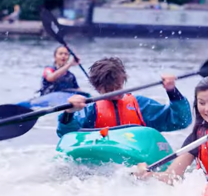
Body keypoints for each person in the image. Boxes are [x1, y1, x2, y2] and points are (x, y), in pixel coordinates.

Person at [56, 57, 192, 137]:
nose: (115, 92)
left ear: (123, 80)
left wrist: (172, 91)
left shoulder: (142, 105)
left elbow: (181, 121)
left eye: (118, 86)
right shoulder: (89, 110)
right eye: (109, 89)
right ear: (97, 88)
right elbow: (66, 135)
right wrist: (69, 113)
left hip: (136, 161)